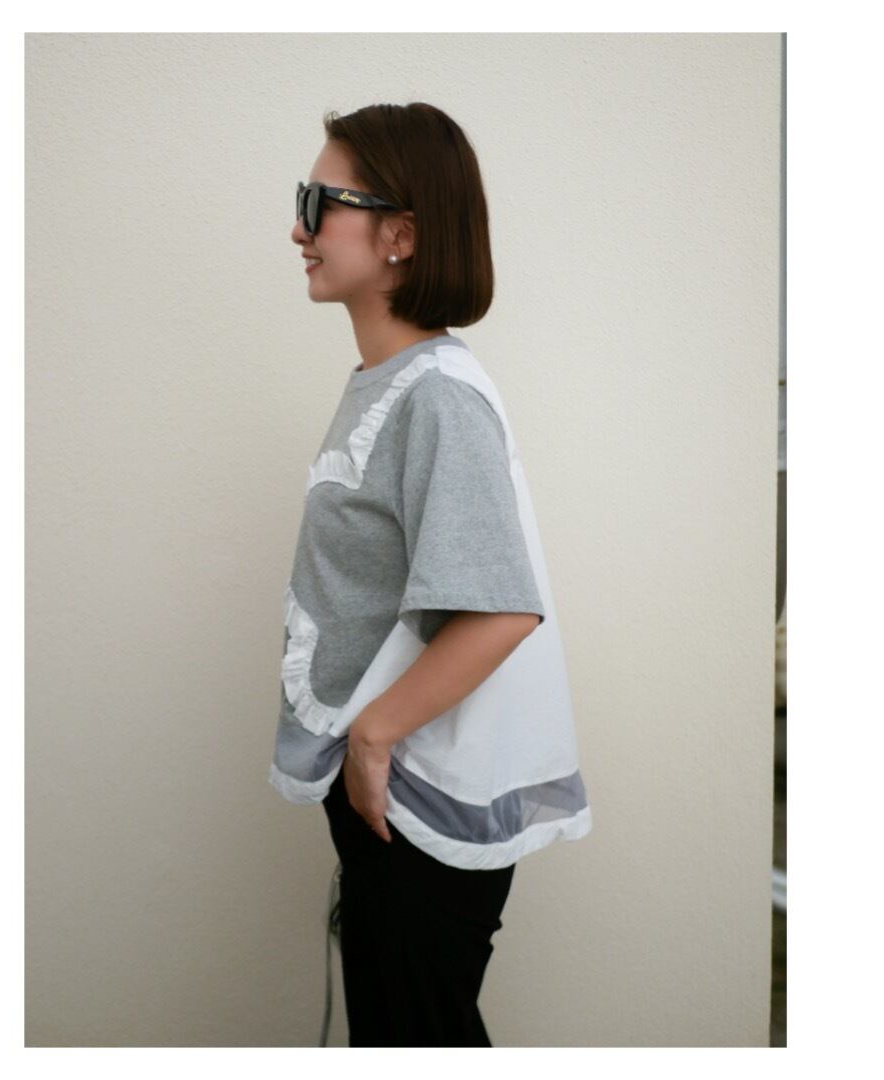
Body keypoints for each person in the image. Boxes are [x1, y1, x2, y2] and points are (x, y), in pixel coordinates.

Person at [269, 102, 593, 1047]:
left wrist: (372, 740)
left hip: (413, 803)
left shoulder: (436, 396)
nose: (298, 228)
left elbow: (500, 609)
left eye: (319, 203)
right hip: (394, 798)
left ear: (400, 235)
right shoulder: (394, 383)